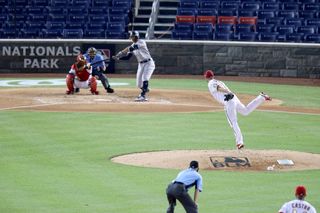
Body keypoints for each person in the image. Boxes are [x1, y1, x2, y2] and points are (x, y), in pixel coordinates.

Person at [204, 69, 272, 150]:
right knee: (245, 111)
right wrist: (229, 92)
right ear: (213, 75)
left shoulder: (211, 83)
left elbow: (219, 88)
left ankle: (239, 142)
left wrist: (227, 92)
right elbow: (219, 87)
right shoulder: (218, 81)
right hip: (233, 98)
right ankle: (261, 97)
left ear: (206, 77)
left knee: (233, 122)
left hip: (229, 101)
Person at [112, 31, 155, 102]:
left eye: (133, 37)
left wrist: (120, 53)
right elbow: (127, 57)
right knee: (138, 84)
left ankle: (143, 95)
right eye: (132, 37)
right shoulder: (133, 45)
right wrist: (118, 58)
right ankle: (145, 88)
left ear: (137, 37)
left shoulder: (141, 42)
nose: (132, 38)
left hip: (149, 63)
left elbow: (130, 48)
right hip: (141, 64)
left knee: (145, 78)